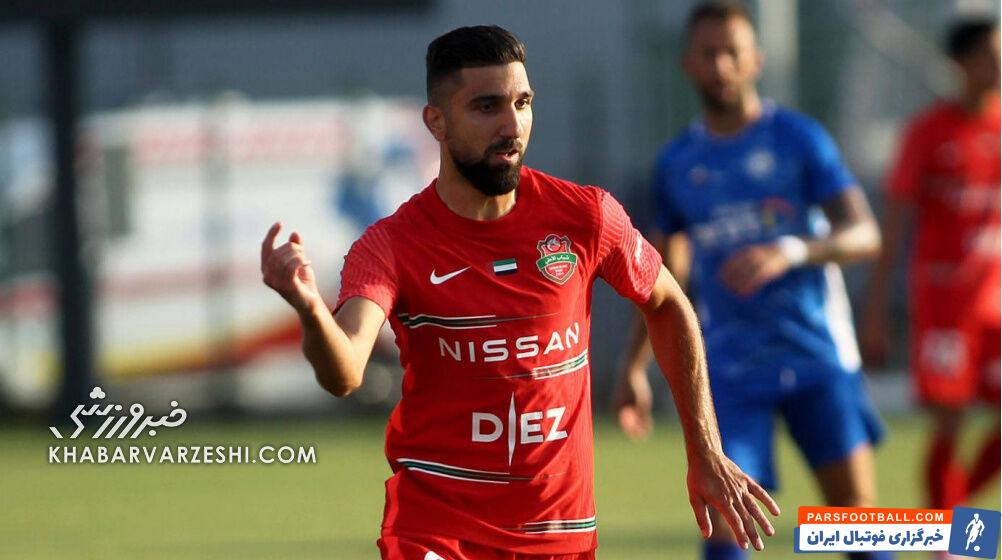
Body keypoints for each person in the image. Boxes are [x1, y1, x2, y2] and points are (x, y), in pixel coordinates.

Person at [260, 25, 779, 560]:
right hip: (438, 532)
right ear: (436, 122)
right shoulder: (391, 245)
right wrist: (310, 309)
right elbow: (345, 371)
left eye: (523, 103)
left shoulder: (586, 215)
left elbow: (667, 302)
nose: (512, 126)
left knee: (836, 512)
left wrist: (705, 449)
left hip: (562, 532)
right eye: (487, 107)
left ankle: (847, 538)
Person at [613, 3, 890, 560]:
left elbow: (864, 233)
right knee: (725, 526)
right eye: (708, 53)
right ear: (688, 63)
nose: (721, 65)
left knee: (858, 527)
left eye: (732, 52)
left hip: (816, 356)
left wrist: (790, 251)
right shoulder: (677, 163)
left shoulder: (799, 138)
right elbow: (663, 276)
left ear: (756, 60)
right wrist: (634, 366)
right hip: (730, 369)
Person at [861, 18, 1000, 513]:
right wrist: (876, 310)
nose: (998, 64)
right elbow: (894, 226)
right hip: (945, 305)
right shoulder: (927, 132)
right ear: (960, 63)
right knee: (950, 420)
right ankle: (950, 538)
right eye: (988, 55)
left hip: (995, 302)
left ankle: (946, 519)